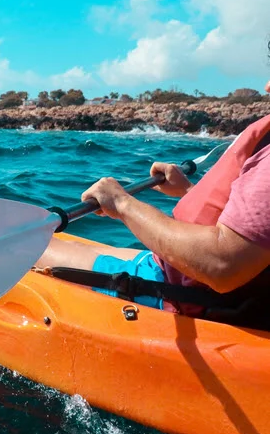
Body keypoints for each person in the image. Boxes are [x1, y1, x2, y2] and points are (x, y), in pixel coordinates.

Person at [35, 79, 270, 323]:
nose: (268, 86)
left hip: (178, 293)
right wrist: (188, 190)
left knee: (28, 247)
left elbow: (223, 264)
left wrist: (121, 203)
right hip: (174, 269)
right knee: (68, 245)